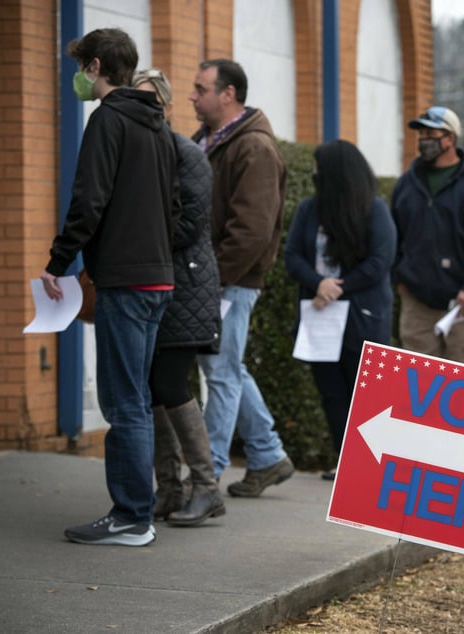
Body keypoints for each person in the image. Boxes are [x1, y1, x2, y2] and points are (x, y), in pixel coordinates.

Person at [42, 29, 178, 545]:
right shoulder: (159, 127)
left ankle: (130, 516)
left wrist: (58, 261)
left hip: (124, 280)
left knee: (123, 403)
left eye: (81, 67)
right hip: (157, 279)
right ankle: (134, 513)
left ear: (96, 66)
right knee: (135, 399)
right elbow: (176, 209)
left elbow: (88, 201)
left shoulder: (108, 121)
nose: (78, 76)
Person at [189, 59, 294, 497]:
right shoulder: (209, 140)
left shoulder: (254, 149)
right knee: (227, 367)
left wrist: (212, 278)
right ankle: (268, 455)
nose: (193, 96)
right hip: (214, 278)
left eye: (201, 88)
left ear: (228, 94)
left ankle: (207, 473)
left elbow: (251, 231)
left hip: (228, 281)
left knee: (222, 374)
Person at [132, 69, 224, 527]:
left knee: (169, 383)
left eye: (151, 99)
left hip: (186, 287)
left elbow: (189, 225)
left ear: (166, 105)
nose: (142, 107)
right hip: (155, 286)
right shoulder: (137, 154)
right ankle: (168, 488)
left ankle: (206, 488)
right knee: (152, 387)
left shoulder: (185, 154)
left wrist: (135, 242)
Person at [284, 140, 396, 480]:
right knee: (331, 392)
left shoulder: (373, 210)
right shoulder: (309, 209)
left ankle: (370, 465)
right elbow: (292, 256)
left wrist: (337, 287)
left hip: (360, 316)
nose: (315, 175)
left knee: (365, 393)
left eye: (319, 169)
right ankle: (343, 458)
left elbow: (379, 262)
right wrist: (318, 282)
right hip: (319, 315)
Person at [391, 106, 464, 368]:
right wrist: (399, 277)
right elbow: (393, 234)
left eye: (431, 133)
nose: (423, 140)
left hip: (463, 304)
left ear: (450, 139)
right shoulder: (407, 183)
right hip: (417, 303)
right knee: (418, 385)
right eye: (421, 133)